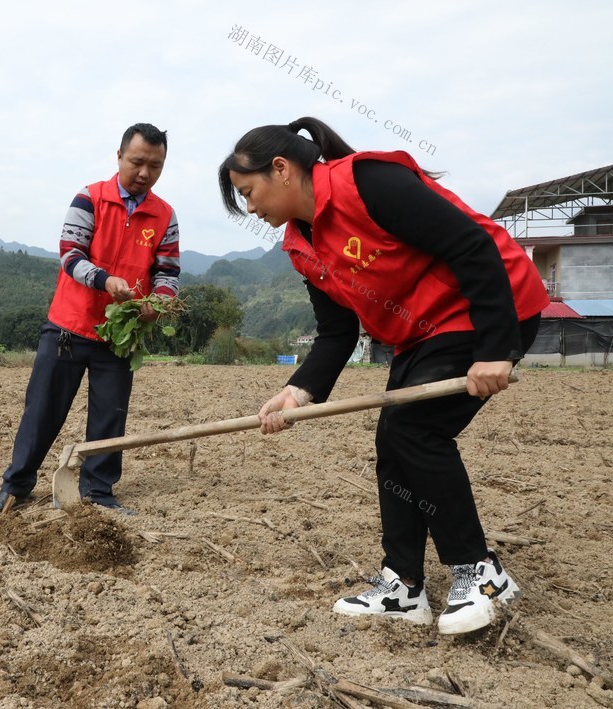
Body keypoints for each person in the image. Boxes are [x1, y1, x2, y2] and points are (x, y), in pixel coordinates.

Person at [219, 118, 549, 635]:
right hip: (422, 332)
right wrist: (297, 391)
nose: (250, 207)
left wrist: (495, 348)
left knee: (415, 429)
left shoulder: (367, 183)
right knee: (393, 440)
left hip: (488, 306)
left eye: (248, 192)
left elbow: (470, 244)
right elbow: (336, 333)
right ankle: (403, 585)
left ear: (280, 169)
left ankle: (481, 572)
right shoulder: (301, 246)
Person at [0, 123, 181, 516]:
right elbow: (70, 254)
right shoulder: (89, 198)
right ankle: (16, 485)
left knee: (110, 416)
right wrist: (105, 280)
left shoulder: (165, 215)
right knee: (42, 410)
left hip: (119, 335)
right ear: (119, 156)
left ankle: (98, 491)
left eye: (155, 166)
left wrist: (159, 301)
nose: (145, 173)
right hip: (69, 326)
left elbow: (168, 272)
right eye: (137, 162)